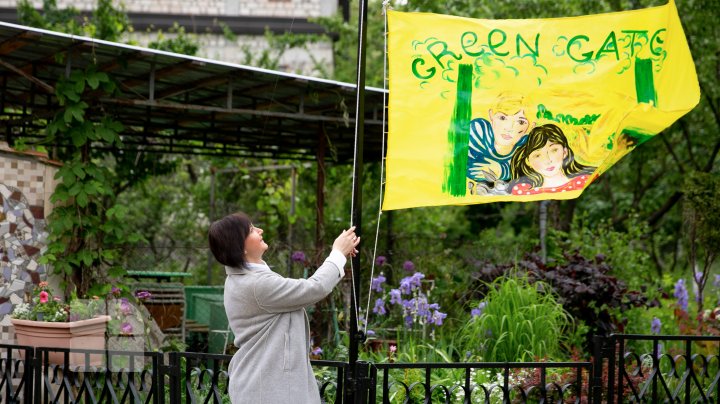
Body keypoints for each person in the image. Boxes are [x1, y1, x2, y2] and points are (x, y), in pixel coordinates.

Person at [208, 212, 360, 404]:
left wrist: (341, 255)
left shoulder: (247, 279)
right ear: (240, 246)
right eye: (252, 230)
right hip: (267, 388)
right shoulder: (255, 285)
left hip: (265, 383)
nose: (260, 230)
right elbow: (314, 288)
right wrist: (337, 253)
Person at [466, 93, 536, 185]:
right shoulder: (478, 130)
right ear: (491, 116)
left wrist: (501, 170)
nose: (509, 128)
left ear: (530, 127)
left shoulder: (527, 146)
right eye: (502, 118)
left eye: (520, 122)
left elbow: (522, 169)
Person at [509, 123, 595, 195]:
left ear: (565, 152)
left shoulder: (584, 180)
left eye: (554, 150)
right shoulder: (522, 190)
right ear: (528, 161)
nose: (547, 160)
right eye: (537, 155)